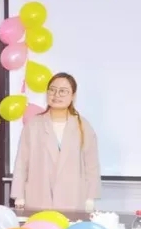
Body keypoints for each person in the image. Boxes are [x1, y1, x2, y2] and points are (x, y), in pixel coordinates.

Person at [11, 72, 100, 211]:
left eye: (63, 91)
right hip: (38, 197)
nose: (56, 95)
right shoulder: (34, 125)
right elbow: (21, 162)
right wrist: (19, 195)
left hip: (73, 198)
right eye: (52, 90)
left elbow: (91, 165)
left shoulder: (83, 126)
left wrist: (90, 197)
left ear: (73, 96)